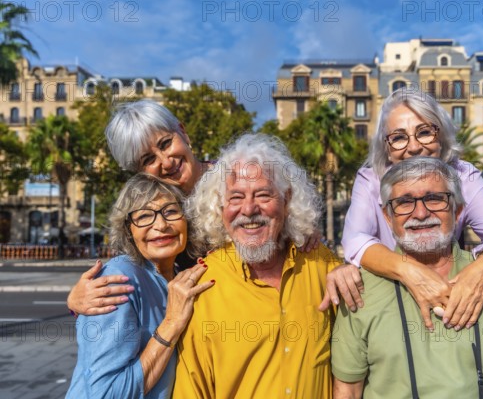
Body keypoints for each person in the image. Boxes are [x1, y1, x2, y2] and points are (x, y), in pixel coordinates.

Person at [66, 100, 322, 316]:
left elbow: (285, 214)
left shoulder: (237, 177)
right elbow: (135, 268)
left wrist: (302, 231)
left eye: (165, 144)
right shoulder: (155, 217)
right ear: (140, 172)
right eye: (149, 159)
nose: (166, 162)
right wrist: (76, 301)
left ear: (183, 133)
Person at [332, 157, 483, 398]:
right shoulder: (359, 289)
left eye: (434, 199)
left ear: (457, 211)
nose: (420, 212)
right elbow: (347, 391)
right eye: (404, 202)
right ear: (388, 217)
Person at [337, 88, 483, 331]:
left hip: (446, 299)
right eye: (399, 137)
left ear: (442, 135)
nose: (414, 147)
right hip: (388, 295)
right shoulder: (371, 178)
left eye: (424, 132)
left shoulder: (464, 175)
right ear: (387, 147)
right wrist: (409, 271)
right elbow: (354, 240)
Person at [172, 133, 340, 398]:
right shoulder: (203, 285)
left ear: (286, 200)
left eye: (263, 194)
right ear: (220, 207)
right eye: (236, 198)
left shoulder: (323, 265)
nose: (249, 210)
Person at [66, 173, 214, 398]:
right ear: (128, 230)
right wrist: (171, 324)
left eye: (171, 212)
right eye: (145, 216)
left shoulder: (179, 276)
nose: (161, 225)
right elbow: (106, 394)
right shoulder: (119, 279)